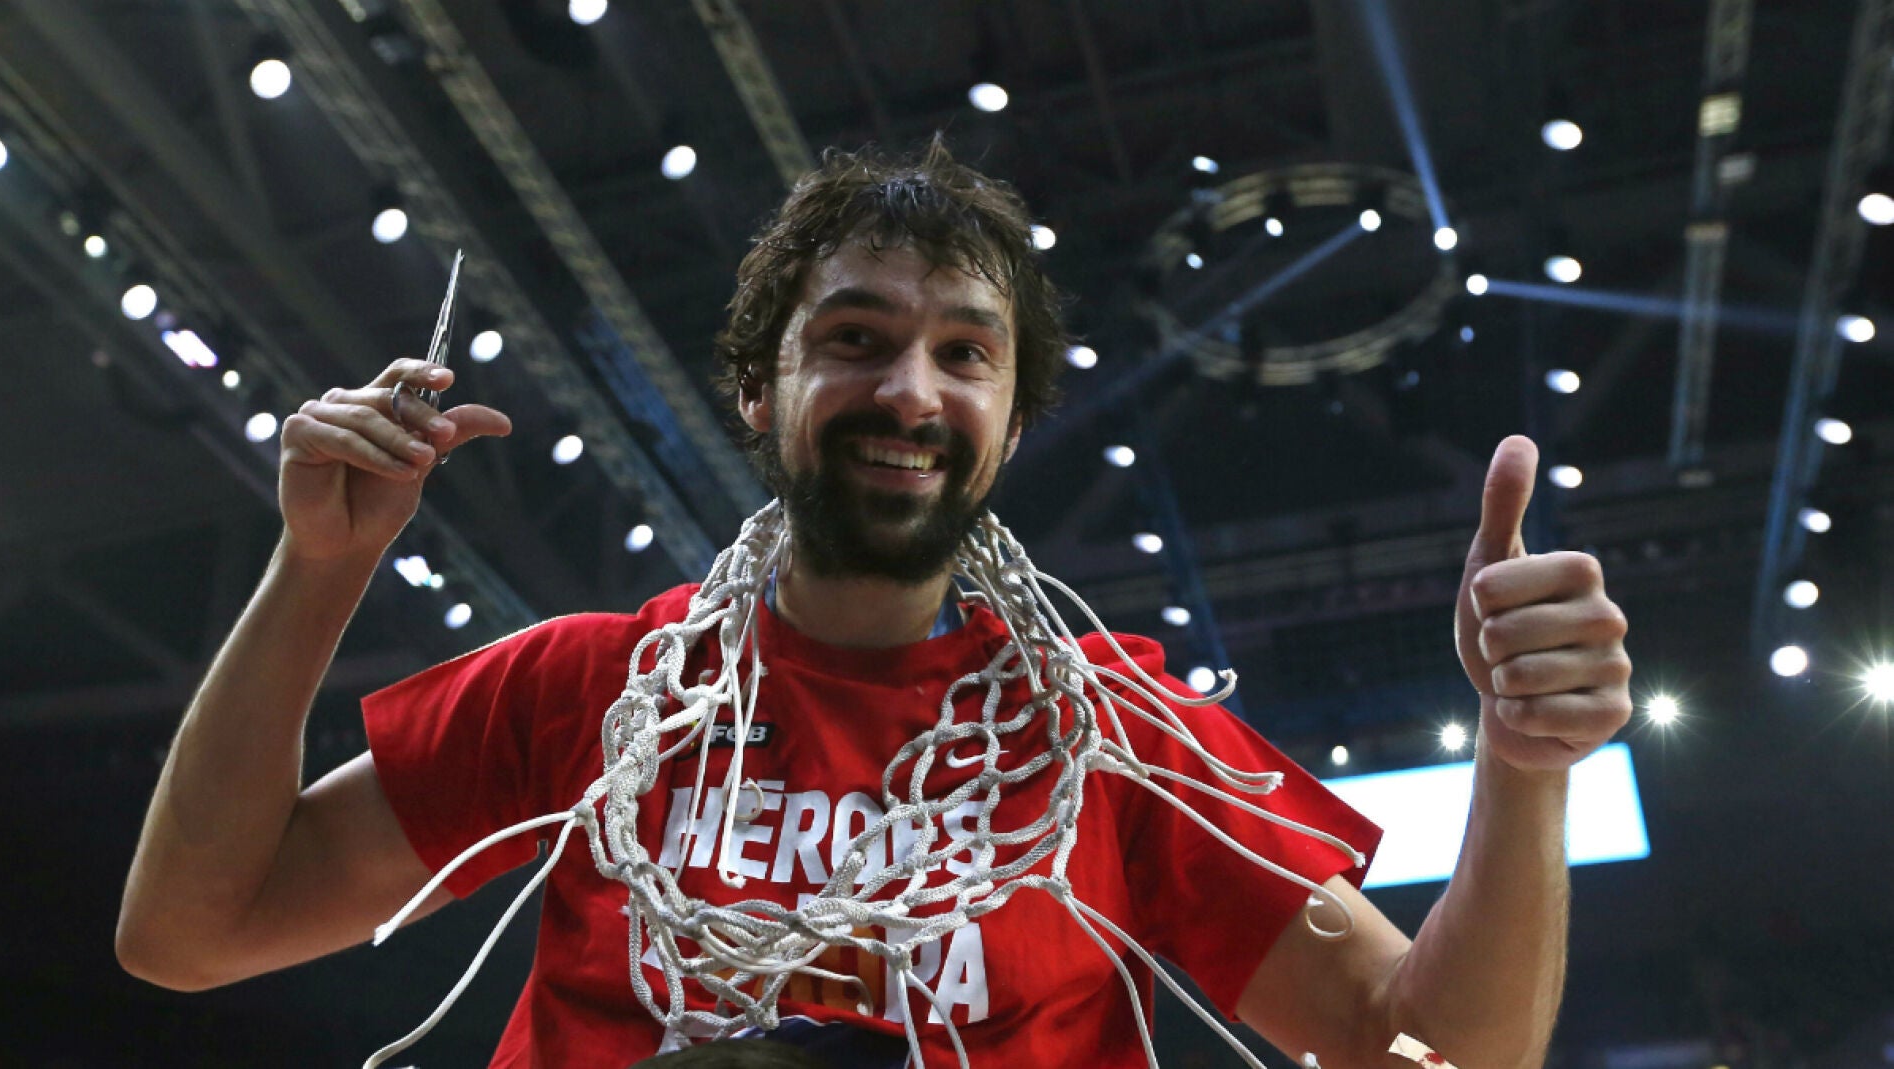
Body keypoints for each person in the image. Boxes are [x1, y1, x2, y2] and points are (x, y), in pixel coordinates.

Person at [116, 140, 1632, 1069]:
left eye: (966, 354)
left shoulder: (1114, 735)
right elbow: (190, 931)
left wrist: (1524, 767)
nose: (911, 390)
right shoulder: (589, 690)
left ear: (1009, 425)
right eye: (855, 337)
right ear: (758, 391)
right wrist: (317, 570)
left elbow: (1425, 1054)